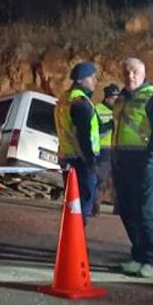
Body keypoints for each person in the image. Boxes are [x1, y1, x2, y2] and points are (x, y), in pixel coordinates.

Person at [112, 58, 153, 278]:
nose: (130, 76)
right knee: (127, 210)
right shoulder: (120, 99)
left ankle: (150, 259)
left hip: (148, 163)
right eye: (126, 72)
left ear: (143, 73)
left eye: (134, 72)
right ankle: (137, 255)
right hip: (124, 162)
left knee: (145, 212)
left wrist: (150, 159)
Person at [54, 61, 99, 214]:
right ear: (80, 80)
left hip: (66, 156)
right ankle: (77, 235)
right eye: (92, 77)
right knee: (83, 202)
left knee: (72, 202)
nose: (95, 81)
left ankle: (70, 234)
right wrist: (90, 159)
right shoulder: (80, 103)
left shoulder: (64, 99)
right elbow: (83, 135)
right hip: (81, 158)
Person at [92, 83, 120, 216]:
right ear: (107, 97)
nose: (116, 100)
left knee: (120, 180)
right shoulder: (97, 109)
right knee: (99, 179)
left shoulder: (120, 111)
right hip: (103, 149)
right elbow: (95, 131)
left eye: (117, 98)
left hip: (118, 149)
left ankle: (119, 208)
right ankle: (94, 207)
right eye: (113, 97)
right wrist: (110, 124)